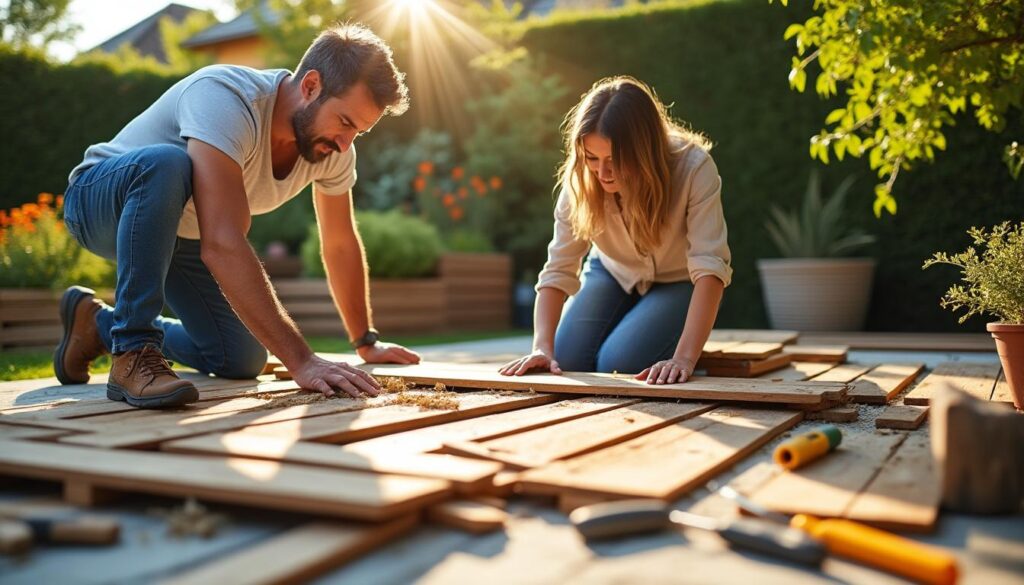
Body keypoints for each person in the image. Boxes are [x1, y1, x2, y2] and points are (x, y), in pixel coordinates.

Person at [54, 24, 420, 409]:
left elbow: (340, 242)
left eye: (358, 133)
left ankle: (95, 323)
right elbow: (223, 242)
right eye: (345, 122)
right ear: (310, 86)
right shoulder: (227, 96)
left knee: (241, 357)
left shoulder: (333, 151)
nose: (345, 144)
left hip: (179, 233)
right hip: (99, 203)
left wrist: (366, 340)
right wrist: (302, 360)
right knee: (167, 163)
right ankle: (132, 350)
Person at [500, 76, 731, 385]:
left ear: (644, 150)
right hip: (611, 271)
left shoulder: (694, 168)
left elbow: (710, 269)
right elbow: (558, 268)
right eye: (592, 158)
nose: (602, 173)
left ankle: (661, 332)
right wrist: (541, 347)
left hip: (679, 281)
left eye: (615, 160)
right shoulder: (582, 179)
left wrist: (684, 359)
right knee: (564, 361)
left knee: (619, 362)